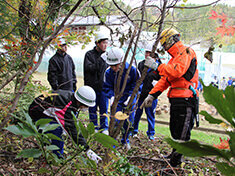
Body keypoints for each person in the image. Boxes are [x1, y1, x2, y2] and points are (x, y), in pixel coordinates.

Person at [141, 28, 199, 167]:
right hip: (176, 98)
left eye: (165, 44)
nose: (165, 48)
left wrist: (157, 66)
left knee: (182, 132)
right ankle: (174, 154)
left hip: (186, 99)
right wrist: (152, 95)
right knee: (174, 129)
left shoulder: (186, 52)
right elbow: (166, 79)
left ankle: (176, 161)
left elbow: (176, 72)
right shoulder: (174, 58)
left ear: (171, 40)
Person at [28, 86, 102, 163]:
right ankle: (58, 158)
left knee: (59, 128)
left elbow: (71, 120)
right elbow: (71, 129)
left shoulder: (71, 100)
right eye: (86, 106)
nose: (86, 108)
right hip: (37, 113)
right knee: (57, 130)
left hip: (46, 112)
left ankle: (47, 143)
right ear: (81, 102)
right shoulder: (65, 104)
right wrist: (87, 150)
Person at [103, 47, 140, 150]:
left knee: (128, 122)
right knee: (115, 121)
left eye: (115, 65)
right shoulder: (108, 72)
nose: (113, 68)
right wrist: (111, 96)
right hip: (117, 99)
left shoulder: (132, 70)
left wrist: (131, 97)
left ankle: (125, 140)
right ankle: (113, 144)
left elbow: (137, 85)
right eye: (111, 65)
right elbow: (107, 87)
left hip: (129, 99)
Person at [133, 43, 161, 141]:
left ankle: (150, 134)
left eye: (150, 53)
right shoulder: (141, 64)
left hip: (152, 96)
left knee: (150, 115)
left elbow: (161, 81)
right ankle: (134, 131)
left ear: (155, 55)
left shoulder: (159, 67)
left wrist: (153, 94)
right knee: (137, 114)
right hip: (141, 95)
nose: (147, 55)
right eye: (146, 53)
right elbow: (138, 79)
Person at [83, 32, 109, 134]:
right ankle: (93, 127)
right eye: (103, 43)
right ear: (97, 43)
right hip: (92, 87)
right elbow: (89, 68)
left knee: (104, 109)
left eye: (106, 43)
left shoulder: (106, 55)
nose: (105, 45)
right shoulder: (89, 55)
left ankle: (104, 128)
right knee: (92, 109)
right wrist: (99, 60)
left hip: (103, 88)